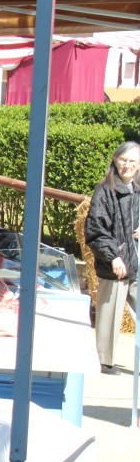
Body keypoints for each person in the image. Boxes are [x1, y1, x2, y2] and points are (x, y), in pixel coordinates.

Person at [84, 141, 140, 376]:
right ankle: (105, 361)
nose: (126, 165)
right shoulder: (104, 190)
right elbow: (95, 229)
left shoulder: (137, 189)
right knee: (109, 312)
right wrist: (113, 257)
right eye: (123, 160)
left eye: (132, 161)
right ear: (115, 160)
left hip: (136, 260)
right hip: (114, 263)